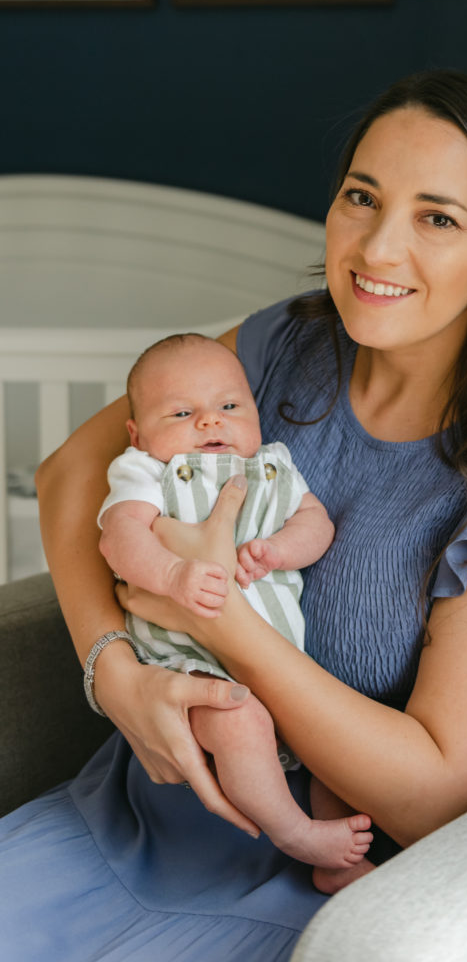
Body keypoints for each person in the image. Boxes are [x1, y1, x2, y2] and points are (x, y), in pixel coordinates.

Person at [0, 70, 467, 961]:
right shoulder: (283, 344)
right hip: (134, 820)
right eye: (363, 197)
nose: (378, 248)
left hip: (328, 882)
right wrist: (115, 674)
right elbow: (68, 473)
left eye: (437, 218)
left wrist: (220, 620)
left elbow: (436, 791)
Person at [97, 332, 372, 875]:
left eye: (228, 406)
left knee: (334, 746)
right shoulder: (145, 471)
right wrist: (173, 574)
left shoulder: (273, 467)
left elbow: (316, 523)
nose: (209, 421)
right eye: (181, 412)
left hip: (282, 662)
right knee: (239, 721)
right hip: (190, 661)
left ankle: (337, 869)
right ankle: (295, 833)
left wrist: (279, 550)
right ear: (138, 434)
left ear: (254, 413)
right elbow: (119, 537)